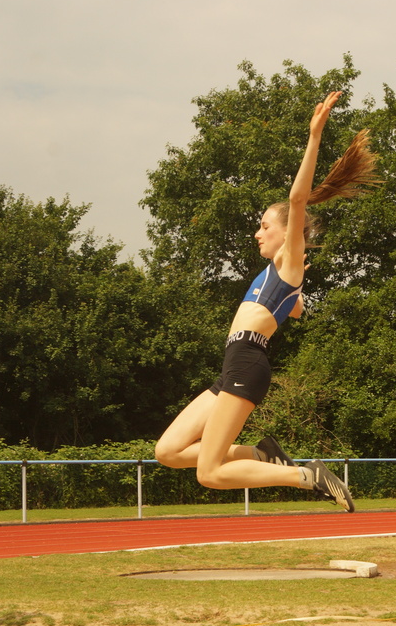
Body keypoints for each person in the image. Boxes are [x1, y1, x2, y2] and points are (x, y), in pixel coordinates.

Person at [155, 92, 378, 512]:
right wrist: (296, 299)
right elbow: (293, 307)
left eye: (263, 226)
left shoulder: (289, 262)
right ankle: (264, 456)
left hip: (247, 362)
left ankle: (306, 476)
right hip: (232, 364)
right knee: (167, 451)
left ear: (285, 233)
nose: (257, 233)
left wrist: (314, 137)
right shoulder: (280, 278)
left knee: (210, 472)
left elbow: (297, 201)